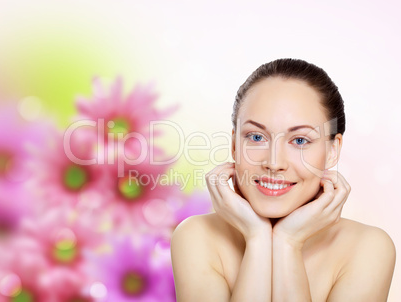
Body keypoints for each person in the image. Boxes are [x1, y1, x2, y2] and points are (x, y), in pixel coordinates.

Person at [170, 58, 396, 301]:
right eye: (256, 137)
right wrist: (257, 238)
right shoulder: (196, 236)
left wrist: (288, 242)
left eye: (300, 141)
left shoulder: (368, 248)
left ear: (332, 150)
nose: (274, 163)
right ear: (234, 145)